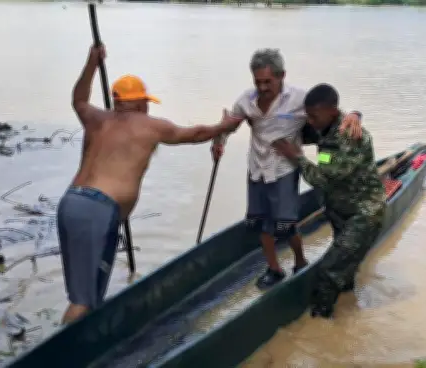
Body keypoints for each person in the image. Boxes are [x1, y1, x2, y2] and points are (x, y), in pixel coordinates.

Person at [58, 44, 242, 324]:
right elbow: (194, 134)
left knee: (84, 292)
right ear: (140, 102)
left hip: (71, 203)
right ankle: (64, 355)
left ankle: (78, 339)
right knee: (82, 301)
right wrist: (223, 127)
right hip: (98, 211)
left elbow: (78, 99)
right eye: (145, 101)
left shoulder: (95, 118)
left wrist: (91, 64)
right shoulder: (151, 126)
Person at [211, 48, 364, 289]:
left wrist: (355, 114)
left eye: (268, 81)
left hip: (284, 169)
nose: (262, 87)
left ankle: (300, 262)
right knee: (262, 224)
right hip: (257, 168)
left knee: (286, 225)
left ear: (282, 76)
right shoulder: (245, 100)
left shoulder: (299, 100)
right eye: (257, 81)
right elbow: (229, 125)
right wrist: (218, 143)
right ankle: (274, 269)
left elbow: (332, 113)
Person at [273, 84, 386, 318]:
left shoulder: (349, 138)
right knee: (345, 269)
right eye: (309, 116)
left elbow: (322, 179)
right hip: (340, 210)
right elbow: (295, 126)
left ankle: (321, 321)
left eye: (314, 117)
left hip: (363, 215)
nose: (311, 122)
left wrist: (297, 158)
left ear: (332, 112)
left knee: (329, 270)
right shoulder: (324, 125)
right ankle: (349, 305)